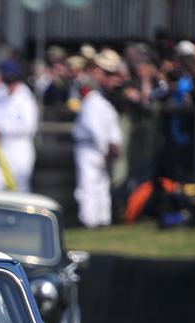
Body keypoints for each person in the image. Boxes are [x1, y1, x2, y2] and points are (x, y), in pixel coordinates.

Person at [72, 49, 124, 228]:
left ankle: (95, 220)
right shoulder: (96, 101)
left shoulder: (97, 102)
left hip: (93, 148)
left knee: (93, 185)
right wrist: (109, 147)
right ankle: (95, 219)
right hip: (93, 147)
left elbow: (102, 129)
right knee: (95, 185)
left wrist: (109, 147)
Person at [0, 59, 39, 192]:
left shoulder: (25, 99)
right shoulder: (0, 93)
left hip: (18, 147)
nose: (10, 84)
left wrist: (0, 128)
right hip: (0, 145)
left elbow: (27, 127)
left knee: (18, 185)